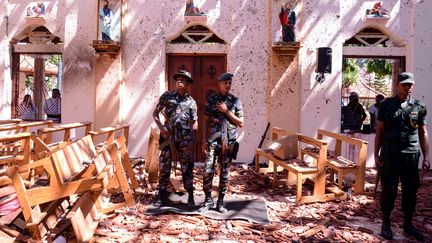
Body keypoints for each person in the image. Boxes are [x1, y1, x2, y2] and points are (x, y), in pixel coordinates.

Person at [375, 72, 430, 241]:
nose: (407, 87)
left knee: (410, 191)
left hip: (411, 155)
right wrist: (376, 155)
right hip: (390, 155)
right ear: (397, 85)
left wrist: (426, 157)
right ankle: (386, 224)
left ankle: (408, 224)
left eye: (410, 85)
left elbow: (423, 132)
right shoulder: (385, 105)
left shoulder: (418, 107)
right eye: (404, 84)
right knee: (389, 190)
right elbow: (380, 132)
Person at [198, 72, 244, 213]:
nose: (228, 85)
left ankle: (221, 202)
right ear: (219, 84)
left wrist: (227, 112)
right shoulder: (212, 100)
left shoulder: (236, 101)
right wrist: (203, 140)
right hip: (213, 141)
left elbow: (241, 123)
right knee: (207, 171)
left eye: (229, 82)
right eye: (225, 83)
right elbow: (205, 120)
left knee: (225, 173)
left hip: (228, 143)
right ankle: (208, 200)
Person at [152, 70, 198, 208]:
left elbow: (195, 121)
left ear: (188, 84)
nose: (179, 81)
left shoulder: (191, 102)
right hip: (167, 136)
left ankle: (190, 196)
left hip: (184, 139)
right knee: (164, 166)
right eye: (178, 79)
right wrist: (161, 128)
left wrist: (193, 141)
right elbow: (155, 114)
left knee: (187, 167)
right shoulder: (167, 96)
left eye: (183, 80)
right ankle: (161, 195)